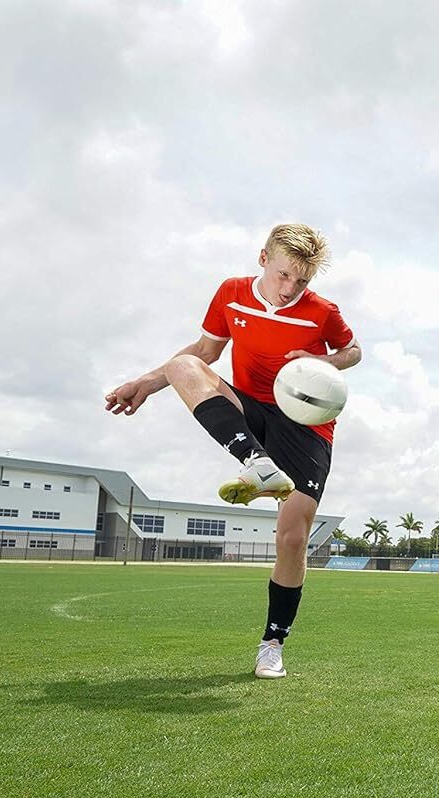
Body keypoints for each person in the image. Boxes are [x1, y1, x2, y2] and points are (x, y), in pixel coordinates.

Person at [105, 224, 362, 679]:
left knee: (292, 538)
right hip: (252, 408)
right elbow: (207, 350)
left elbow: (353, 351)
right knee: (183, 365)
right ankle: (257, 462)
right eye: (283, 275)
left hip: (306, 425)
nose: (290, 289)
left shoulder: (322, 312)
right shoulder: (232, 293)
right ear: (263, 259)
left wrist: (324, 360)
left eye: (302, 281)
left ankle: (272, 644)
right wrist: (145, 382)